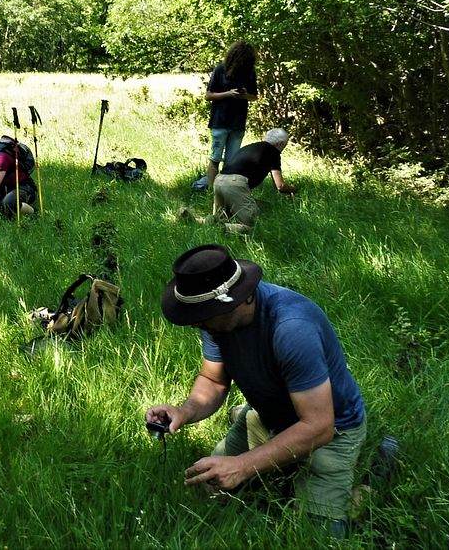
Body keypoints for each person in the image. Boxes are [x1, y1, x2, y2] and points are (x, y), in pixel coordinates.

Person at [147, 244, 367, 537]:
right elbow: (213, 380)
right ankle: (265, 442)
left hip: (332, 430)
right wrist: (184, 411)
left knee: (317, 536)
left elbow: (319, 427)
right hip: (269, 415)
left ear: (242, 298)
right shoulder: (215, 321)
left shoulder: (291, 327)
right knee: (207, 493)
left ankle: (374, 475)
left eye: (205, 314)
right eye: (196, 315)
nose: (198, 323)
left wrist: (242, 466)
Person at [210, 128, 296, 233]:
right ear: (281, 143)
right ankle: (219, 228)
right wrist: (293, 189)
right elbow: (280, 186)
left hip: (219, 180)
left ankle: (195, 220)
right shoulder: (273, 152)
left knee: (220, 217)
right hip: (235, 183)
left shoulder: (250, 147)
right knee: (251, 226)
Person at [200, 41, 259, 193]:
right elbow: (209, 95)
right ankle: (212, 191)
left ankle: (225, 192)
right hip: (220, 122)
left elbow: (254, 97)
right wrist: (229, 94)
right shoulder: (220, 70)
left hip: (238, 123)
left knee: (231, 162)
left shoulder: (250, 73)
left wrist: (244, 95)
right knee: (215, 159)